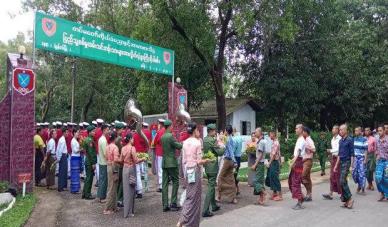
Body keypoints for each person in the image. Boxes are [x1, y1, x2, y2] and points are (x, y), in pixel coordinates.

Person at [177, 122, 209, 227]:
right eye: (198, 130)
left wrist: (183, 175)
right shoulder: (197, 143)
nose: (198, 132)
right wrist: (207, 160)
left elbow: (183, 161)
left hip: (188, 170)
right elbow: (199, 161)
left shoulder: (185, 143)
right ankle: (183, 221)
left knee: (190, 196)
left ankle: (189, 222)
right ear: (195, 130)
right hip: (195, 170)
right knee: (194, 198)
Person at [121, 133, 146, 218]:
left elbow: (121, 159)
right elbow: (136, 160)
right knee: (131, 190)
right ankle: (130, 211)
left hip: (124, 169)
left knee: (125, 190)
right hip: (131, 169)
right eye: (132, 138)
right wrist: (142, 159)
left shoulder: (123, 148)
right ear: (130, 139)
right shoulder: (132, 148)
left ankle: (125, 212)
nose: (133, 140)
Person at [202, 124, 224, 218]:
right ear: (211, 130)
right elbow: (219, 153)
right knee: (211, 187)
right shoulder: (212, 140)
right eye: (215, 131)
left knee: (211, 185)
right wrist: (223, 146)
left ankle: (214, 205)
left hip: (207, 166)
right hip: (212, 165)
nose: (216, 132)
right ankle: (205, 210)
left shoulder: (205, 139)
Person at [161, 119, 183, 212]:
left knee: (165, 183)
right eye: (172, 126)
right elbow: (178, 146)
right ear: (169, 126)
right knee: (175, 181)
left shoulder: (162, 137)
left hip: (165, 162)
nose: (172, 127)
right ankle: (173, 203)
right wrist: (183, 143)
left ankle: (165, 204)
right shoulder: (170, 136)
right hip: (172, 163)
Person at [333, 124, 354, 209]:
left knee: (342, 181)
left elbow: (352, 154)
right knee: (341, 181)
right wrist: (336, 165)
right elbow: (339, 154)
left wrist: (351, 166)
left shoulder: (350, 140)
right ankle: (346, 201)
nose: (340, 131)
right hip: (341, 162)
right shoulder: (341, 141)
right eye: (340, 130)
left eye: (342, 130)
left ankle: (350, 198)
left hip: (347, 162)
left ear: (346, 130)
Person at [217, 125, 238, 204]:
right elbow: (233, 150)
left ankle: (219, 196)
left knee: (220, 177)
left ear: (226, 131)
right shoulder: (232, 139)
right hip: (231, 162)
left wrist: (234, 161)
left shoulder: (228, 139)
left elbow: (230, 151)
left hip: (227, 160)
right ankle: (233, 198)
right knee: (231, 178)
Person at [288, 124, 305, 210]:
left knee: (296, 181)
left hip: (298, 162)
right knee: (292, 180)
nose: (295, 129)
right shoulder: (299, 139)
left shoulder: (302, 140)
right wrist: (293, 159)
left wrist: (293, 162)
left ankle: (299, 201)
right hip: (297, 161)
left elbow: (298, 153)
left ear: (301, 129)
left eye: (297, 128)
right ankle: (301, 197)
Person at [323, 125, 342, 200]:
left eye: (334, 129)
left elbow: (338, 149)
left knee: (338, 176)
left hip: (339, 158)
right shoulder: (332, 139)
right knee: (332, 176)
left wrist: (330, 150)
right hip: (333, 158)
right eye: (332, 129)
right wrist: (330, 156)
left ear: (337, 130)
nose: (332, 130)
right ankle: (330, 193)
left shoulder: (340, 139)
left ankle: (342, 194)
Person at [133, 122, 152, 198]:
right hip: (144, 152)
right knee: (145, 170)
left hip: (137, 153)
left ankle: (139, 191)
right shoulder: (147, 133)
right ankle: (147, 187)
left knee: (137, 172)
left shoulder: (135, 134)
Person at [104, 131, 121, 215]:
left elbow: (106, 156)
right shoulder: (115, 147)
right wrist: (122, 159)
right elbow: (116, 159)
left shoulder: (107, 146)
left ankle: (114, 206)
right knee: (111, 187)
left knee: (113, 186)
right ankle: (107, 208)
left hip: (108, 165)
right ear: (115, 138)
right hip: (114, 167)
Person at [251, 128, 267, 205]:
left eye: (256, 132)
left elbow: (260, 155)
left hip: (259, 163)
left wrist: (255, 164)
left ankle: (264, 193)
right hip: (260, 163)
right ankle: (261, 199)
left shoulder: (261, 142)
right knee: (260, 181)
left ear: (260, 133)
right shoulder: (261, 141)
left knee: (256, 181)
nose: (255, 133)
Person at [265, 130, 282, 201]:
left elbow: (274, 154)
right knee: (271, 177)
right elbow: (279, 153)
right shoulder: (274, 142)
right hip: (273, 162)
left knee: (275, 178)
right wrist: (280, 161)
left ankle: (280, 195)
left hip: (274, 162)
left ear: (273, 134)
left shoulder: (276, 143)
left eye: (270, 134)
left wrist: (269, 163)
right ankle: (274, 194)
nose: (269, 136)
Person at [82, 125, 97, 200]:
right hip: (90, 161)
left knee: (88, 177)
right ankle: (87, 194)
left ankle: (85, 193)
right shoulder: (90, 141)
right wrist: (93, 163)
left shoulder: (86, 139)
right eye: (93, 131)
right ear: (89, 132)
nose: (94, 132)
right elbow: (91, 153)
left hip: (87, 160)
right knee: (89, 178)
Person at [352, 126, 368, 194]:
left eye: (356, 131)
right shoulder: (354, 139)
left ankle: (362, 188)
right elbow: (352, 151)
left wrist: (365, 159)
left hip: (361, 158)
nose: (355, 132)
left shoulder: (364, 139)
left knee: (362, 173)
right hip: (355, 158)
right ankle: (359, 184)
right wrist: (352, 161)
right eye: (355, 131)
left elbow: (366, 150)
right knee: (354, 173)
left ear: (360, 131)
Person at [302, 127, 315, 202]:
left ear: (306, 132)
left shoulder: (309, 140)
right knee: (307, 177)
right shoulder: (303, 140)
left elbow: (314, 149)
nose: (302, 133)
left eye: (303, 131)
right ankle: (309, 194)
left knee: (303, 177)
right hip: (303, 161)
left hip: (308, 161)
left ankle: (308, 193)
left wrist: (308, 148)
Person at [375, 125, 388, 201]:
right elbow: (376, 149)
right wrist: (377, 155)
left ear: (384, 131)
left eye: (380, 130)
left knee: (386, 178)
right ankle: (382, 193)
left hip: (387, 162)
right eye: (378, 131)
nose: (379, 132)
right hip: (380, 161)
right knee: (377, 178)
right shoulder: (377, 140)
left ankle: (387, 193)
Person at [97, 124, 109, 202]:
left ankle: (100, 195)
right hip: (104, 162)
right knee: (104, 180)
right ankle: (102, 197)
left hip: (101, 162)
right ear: (104, 130)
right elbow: (105, 154)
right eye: (108, 130)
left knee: (102, 179)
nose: (109, 131)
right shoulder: (103, 140)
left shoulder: (101, 139)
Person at [153, 119, 166, 192]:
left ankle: (161, 186)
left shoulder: (160, 131)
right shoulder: (167, 131)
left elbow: (155, 141)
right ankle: (165, 184)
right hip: (166, 152)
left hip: (160, 153)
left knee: (160, 169)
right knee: (165, 169)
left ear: (160, 124)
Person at [70, 130, 81, 194]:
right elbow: (75, 150)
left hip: (76, 157)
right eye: (77, 133)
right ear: (74, 133)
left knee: (76, 173)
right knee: (75, 174)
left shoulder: (75, 140)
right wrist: (81, 149)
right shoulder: (73, 141)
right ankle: (74, 189)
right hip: (75, 157)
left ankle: (76, 188)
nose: (78, 134)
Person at [232, 128, 243, 195]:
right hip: (239, 157)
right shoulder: (240, 138)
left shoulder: (234, 139)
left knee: (233, 175)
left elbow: (233, 150)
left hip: (235, 157)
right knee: (235, 174)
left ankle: (235, 190)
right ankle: (237, 189)